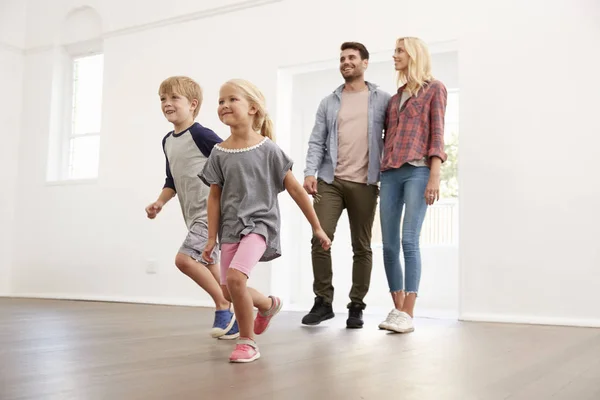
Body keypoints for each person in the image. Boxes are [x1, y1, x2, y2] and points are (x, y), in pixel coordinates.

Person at [200, 79, 331, 363]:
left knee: (235, 279)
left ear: (253, 108)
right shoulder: (219, 153)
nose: (224, 105)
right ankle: (268, 305)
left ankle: (248, 342)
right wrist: (211, 238)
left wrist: (317, 226)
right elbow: (214, 198)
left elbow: (296, 189)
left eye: (231, 99)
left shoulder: (269, 150)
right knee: (229, 289)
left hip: (260, 225)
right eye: (221, 101)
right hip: (230, 229)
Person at [302, 42, 391, 328]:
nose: (346, 62)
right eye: (342, 58)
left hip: (366, 182)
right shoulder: (329, 102)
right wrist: (309, 171)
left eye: (352, 57)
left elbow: (392, 139)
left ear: (365, 63)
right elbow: (317, 139)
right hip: (331, 180)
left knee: (362, 246)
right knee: (320, 238)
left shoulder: (382, 100)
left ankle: (356, 305)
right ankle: (323, 301)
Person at [145, 76, 238, 340]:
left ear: (193, 104)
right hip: (193, 215)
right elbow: (172, 180)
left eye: (174, 98)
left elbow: (230, 158)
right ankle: (246, 314)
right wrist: (159, 202)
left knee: (184, 260)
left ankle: (223, 306)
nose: (167, 103)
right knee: (211, 267)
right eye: (163, 99)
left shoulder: (201, 134)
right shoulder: (168, 141)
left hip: (212, 213)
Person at [378, 37, 448, 333]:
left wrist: (435, 174)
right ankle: (397, 310)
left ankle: (409, 311)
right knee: (388, 245)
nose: (394, 56)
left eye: (399, 51)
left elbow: (437, 133)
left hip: (418, 172)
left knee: (409, 240)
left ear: (414, 55)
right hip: (390, 174)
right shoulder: (395, 99)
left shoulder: (435, 89)